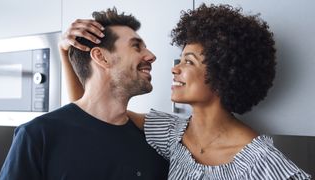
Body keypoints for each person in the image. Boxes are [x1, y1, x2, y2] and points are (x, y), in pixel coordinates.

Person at [60, 4, 312, 180]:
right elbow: (91, 114)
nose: (174, 70)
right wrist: (66, 51)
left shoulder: (263, 165)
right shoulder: (171, 133)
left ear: (224, 73)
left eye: (188, 62)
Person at [0, 8, 169, 180]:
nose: (151, 56)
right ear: (101, 57)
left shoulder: (154, 140)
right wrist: (63, 51)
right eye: (136, 47)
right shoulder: (37, 136)